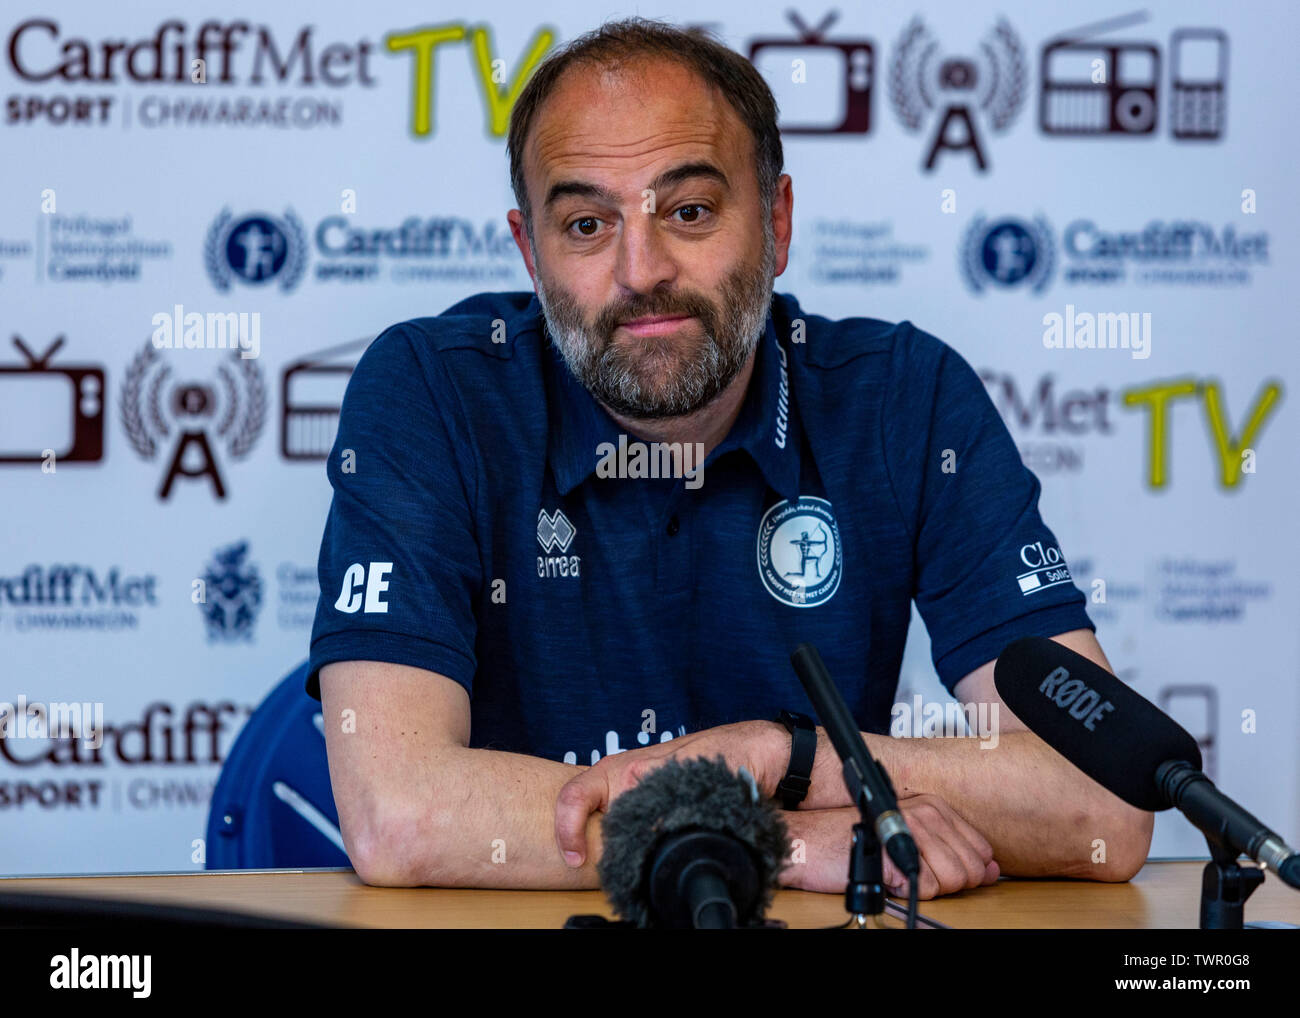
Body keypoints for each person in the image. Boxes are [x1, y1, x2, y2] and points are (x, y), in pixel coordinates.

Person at [306, 17, 1152, 898]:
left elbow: (1102, 802)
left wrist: (783, 757)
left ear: (776, 223)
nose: (641, 270)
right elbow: (399, 813)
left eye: (690, 211)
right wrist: (771, 839)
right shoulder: (430, 392)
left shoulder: (909, 399)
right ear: (531, 254)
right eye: (588, 224)